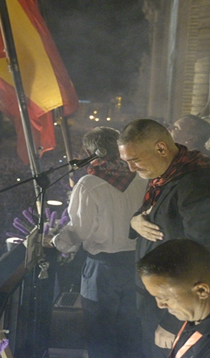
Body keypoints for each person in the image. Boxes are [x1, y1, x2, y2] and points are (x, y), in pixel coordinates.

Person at [117, 118, 210, 358]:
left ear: (161, 148)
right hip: (159, 300)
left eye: (135, 160)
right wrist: (134, 221)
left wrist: (172, 322)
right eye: (126, 161)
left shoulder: (198, 183)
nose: (130, 169)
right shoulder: (166, 173)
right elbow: (153, 214)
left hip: (176, 310)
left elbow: (208, 256)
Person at [50, 126, 148, 358]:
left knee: (100, 331)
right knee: (131, 329)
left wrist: (55, 242)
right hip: (138, 264)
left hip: (102, 269)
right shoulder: (142, 177)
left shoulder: (88, 184)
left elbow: (79, 230)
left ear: (91, 152)